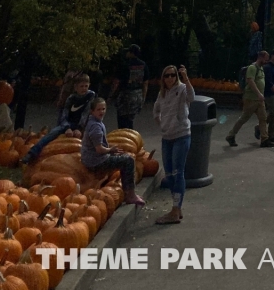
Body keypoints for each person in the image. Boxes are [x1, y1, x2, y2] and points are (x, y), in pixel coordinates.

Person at [81, 98, 145, 206]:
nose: (101, 112)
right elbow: (99, 149)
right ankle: (130, 195)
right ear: (92, 111)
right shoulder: (96, 127)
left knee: (121, 156)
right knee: (128, 160)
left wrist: (110, 151)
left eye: (103, 109)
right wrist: (111, 150)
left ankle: (129, 193)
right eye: (98, 109)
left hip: (90, 158)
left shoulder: (93, 121)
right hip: (96, 162)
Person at [153, 64, 195, 224]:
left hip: (181, 135)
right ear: (163, 78)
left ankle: (175, 210)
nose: (170, 78)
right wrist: (161, 123)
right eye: (167, 75)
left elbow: (192, 97)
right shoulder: (161, 94)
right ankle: (177, 207)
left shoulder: (182, 89)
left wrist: (186, 78)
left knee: (178, 172)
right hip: (167, 137)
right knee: (169, 174)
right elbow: (156, 110)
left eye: (173, 75)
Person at [22, 73, 95, 163]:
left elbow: (86, 113)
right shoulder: (71, 99)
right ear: (75, 87)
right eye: (81, 86)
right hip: (70, 123)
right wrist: (67, 128)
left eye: (86, 86)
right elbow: (64, 116)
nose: (84, 88)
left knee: (94, 134)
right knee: (53, 133)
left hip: (84, 124)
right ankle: (32, 153)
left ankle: (95, 159)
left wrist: (79, 128)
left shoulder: (91, 96)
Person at [226, 50, 273, 147]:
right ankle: (231, 135)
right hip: (251, 98)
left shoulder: (261, 68)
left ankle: (264, 139)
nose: (266, 62)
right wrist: (259, 93)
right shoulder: (252, 67)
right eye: (265, 59)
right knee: (244, 118)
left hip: (259, 99)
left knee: (263, 118)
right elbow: (250, 81)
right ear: (261, 57)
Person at [110, 45, 149, 131]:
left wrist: (111, 95)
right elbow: (145, 83)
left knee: (122, 121)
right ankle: (131, 139)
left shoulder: (124, 64)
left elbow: (117, 82)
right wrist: (143, 97)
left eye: (128, 52)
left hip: (125, 96)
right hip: (137, 95)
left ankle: (124, 140)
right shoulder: (143, 65)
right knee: (130, 120)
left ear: (131, 53)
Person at [256, 49, 274, 144]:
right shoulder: (267, 67)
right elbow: (269, 82)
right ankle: (262, 129)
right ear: (272, 56)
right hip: (270, 94)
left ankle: (269, 133)